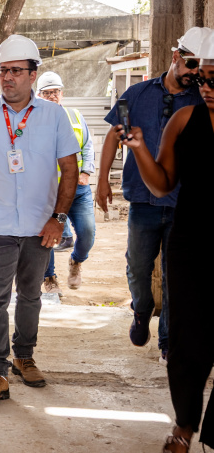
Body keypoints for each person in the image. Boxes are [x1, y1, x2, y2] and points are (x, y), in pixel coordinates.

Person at [0, 34, 79, 403]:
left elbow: (69, 169)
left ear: (33, 75)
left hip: (40, 225)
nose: (7, 78)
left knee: (31, 296)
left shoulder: (55, 116)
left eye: (16, 71)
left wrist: (59, 217)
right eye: (3, 71)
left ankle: (24, 356)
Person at [120, 32, 214, 453]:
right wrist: (140, 149)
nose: (207, 89)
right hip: (191, 240)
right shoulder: (183, 120)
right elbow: (162, 185)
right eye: (203, 80)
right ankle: (185, 424)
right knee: (186, 338)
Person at [96, 27, 207, 363]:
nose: (193, 74)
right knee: (138, 268)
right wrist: (102, 180)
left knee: (177, 277)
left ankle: (168, 342)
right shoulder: (137, 94)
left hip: (182, 204)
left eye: (199, 70)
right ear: (176, 57)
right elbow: (115, 136)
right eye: (189, 64)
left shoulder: (202, 102)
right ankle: (142, 309)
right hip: (143, 201)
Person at [35, 72, 97, 295]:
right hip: (49, 193)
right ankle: (49, 277)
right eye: (47, 93)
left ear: (62, 93)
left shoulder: (75, 116)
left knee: (87, 232)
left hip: (78, 191)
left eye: (55, 92)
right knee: (48, 235)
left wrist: (87, 171)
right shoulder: (32, 121)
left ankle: (76, 261)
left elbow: (87, 145)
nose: (52, 96)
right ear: (39, 95)